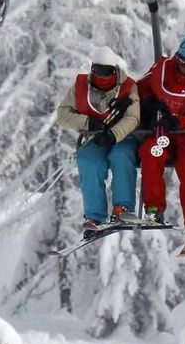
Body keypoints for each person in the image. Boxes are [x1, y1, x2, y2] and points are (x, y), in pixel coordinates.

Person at [55, 46, 141, 238]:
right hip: (95, 136)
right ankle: (94, 216)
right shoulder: (81, 87)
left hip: (122, 137)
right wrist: (87, 122)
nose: (101, 76)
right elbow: (62, 114)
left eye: (106, 72)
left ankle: (123, 207)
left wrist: (113, 134)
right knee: (88, 160)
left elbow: (133, 118)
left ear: (114, 71)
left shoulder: (128, 87)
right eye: (97, 71)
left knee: (121, 156)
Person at [136, 33, 185, 243]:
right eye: (180, 61)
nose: (183, 67)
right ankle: (153, 208)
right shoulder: (161, 67)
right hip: (161, 132)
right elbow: (140, 88)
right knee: (150, 152)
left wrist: (179, 121)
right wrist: (150, 105)